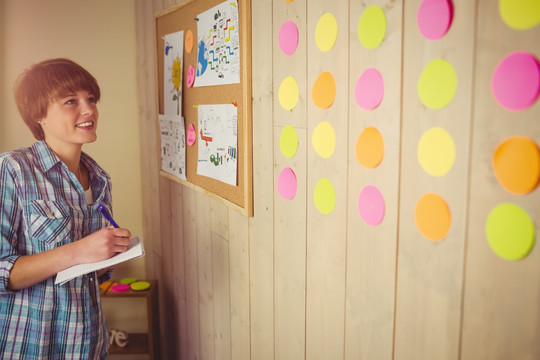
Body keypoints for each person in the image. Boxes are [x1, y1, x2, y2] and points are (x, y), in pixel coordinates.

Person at [0, 58, 132, 359]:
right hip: (30, 347)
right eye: (71, 101)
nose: (88, 110)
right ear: (39, 115)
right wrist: (80, 250)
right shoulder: (12, 170)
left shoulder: (99, 179)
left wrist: (110, 251)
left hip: (89, 344)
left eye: (91, 99)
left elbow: (93, 277)